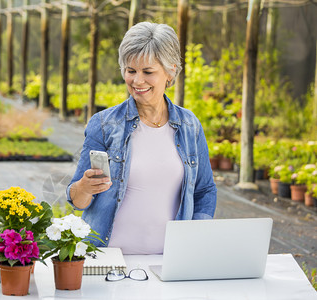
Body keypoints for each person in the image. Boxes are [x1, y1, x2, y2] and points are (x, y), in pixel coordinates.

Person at [66, 22, 217, 254]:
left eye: (148, 72)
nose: (137, 81)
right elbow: (77, 200)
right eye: (130, 70)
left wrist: (195, 237)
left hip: (169, 261)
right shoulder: (105, 125)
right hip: (109, 258)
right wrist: (85, 188)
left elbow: (205, 190)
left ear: (170, 71)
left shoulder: (189, 126)